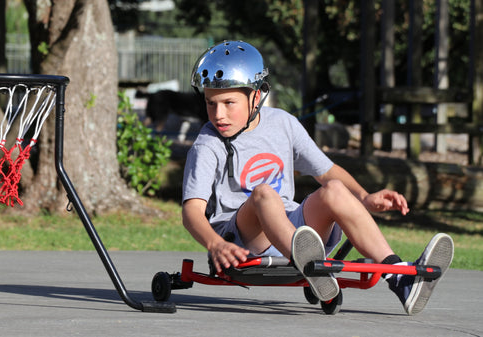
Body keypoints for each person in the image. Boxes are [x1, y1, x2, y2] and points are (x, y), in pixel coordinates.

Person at [182, 40, 454, 315]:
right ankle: (309, 263)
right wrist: (215, 244)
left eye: (229, 103)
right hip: (240, 240)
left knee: (334, 188)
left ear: (256, 96)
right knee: (264, 193)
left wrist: (365, 197)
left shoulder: (283, 123)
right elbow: (191, 211)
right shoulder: (208, 145)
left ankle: (400, 278)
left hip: (292, 228)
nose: (219, 115)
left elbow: (327, 171)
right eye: (210, 103)